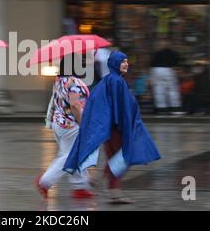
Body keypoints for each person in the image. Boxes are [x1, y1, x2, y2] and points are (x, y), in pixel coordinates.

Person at [64, 51, 161, 203]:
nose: (126, 64)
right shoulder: (117, 82)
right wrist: (122, 125)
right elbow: (120, 106)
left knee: (115, 157)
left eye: (127, 61)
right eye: (123, 61)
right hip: (119, 128)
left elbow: (97, 101)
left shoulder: (107, 81)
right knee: (124, 157)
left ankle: (112, 190)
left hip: (111, 128)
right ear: (115, 63)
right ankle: (104, 180)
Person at [36, 54, 93, 200]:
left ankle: (80, 186)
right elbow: (74, 105)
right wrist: (83, 124)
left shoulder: (60, 80)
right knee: (69, 156)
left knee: (73, 153)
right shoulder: (74, 82)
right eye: (82, 64)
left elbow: (55, 101)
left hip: (60, 124)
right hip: (71, 125)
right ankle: (45, 181)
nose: (84, 66)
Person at [150, 40, 183, 114]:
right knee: (172, 90)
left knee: (159, 90)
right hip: (168, 70)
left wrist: (152, 76)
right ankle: (175, 108)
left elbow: (151, 63)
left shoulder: (156, 53)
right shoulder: (171, 53)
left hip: (156, 71)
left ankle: (161, 109)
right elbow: (176, 62)